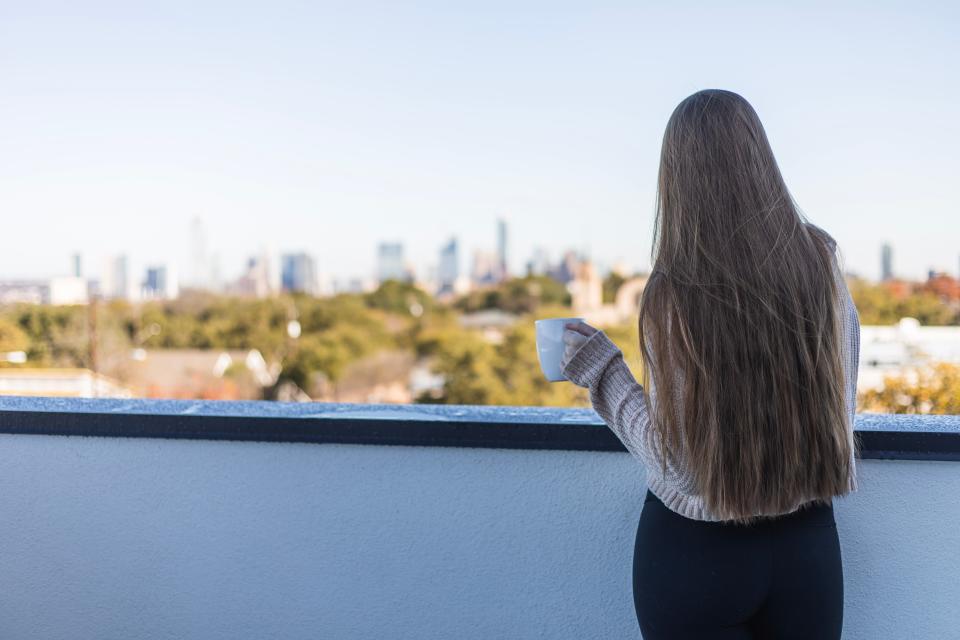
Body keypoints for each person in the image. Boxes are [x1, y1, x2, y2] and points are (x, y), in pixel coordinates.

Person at [560, 89, 860, 640]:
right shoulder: (821, 263)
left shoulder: (673, 293)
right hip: (809, 553)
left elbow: (679, 463)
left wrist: (602, 370)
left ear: (675, 177)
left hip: (694, 558)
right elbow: (840, 408)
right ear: (760, 159)